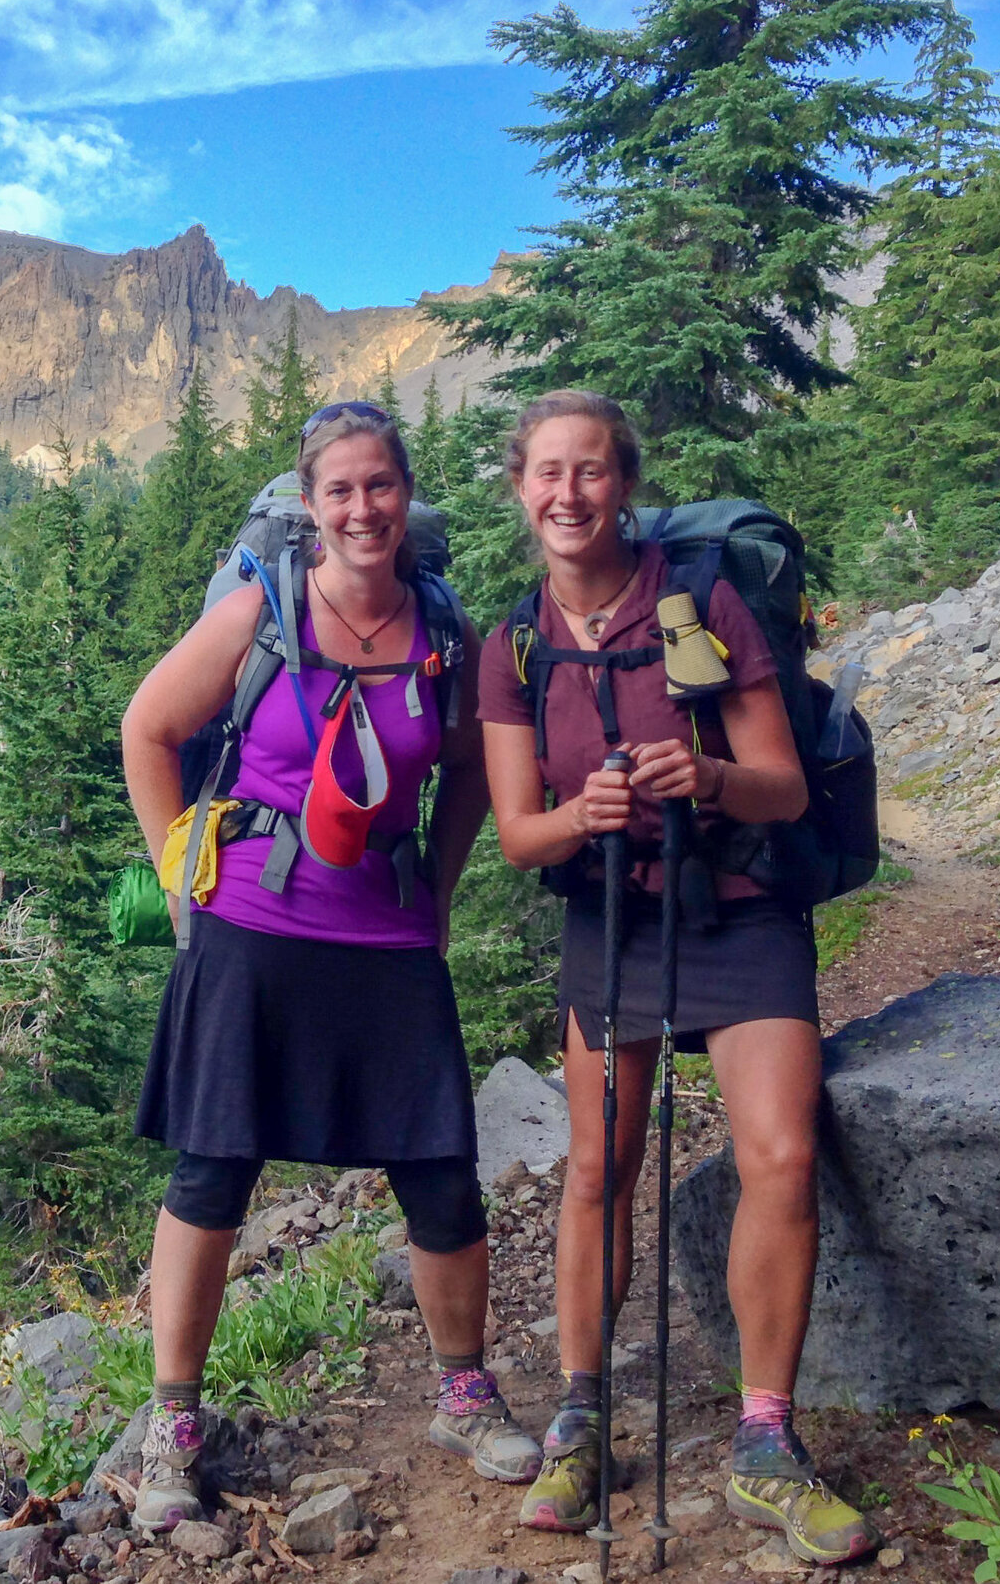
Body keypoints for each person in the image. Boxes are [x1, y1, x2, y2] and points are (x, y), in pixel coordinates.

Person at [120, 400, 540, 1532]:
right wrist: (180, 876)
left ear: (406, 496)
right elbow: (148, 727)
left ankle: (462, 1387)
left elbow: (462, 768)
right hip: (251, 923)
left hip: (386, 930)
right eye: (340, 490)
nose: (363, 507)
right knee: (212, 1173)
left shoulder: (440, 629)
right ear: (311, 507)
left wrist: (440, 891)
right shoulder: (263, 611)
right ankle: (174, 1422)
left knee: (440, 1168)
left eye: (380, 486)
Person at [477, 390, 875, 1565]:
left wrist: (702, 778)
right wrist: (579, 812)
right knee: (600, 1164)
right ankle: (581, 1413)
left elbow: (783, 785)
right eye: (547, 472)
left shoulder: (700, 607)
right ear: (519, 488)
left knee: (783, 1152)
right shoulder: (514, 641)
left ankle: (764, 1438)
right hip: (610, 916)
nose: (568, 493)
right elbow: (514, 831)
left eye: (590, 471)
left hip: (741, 910)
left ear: (624, 483)